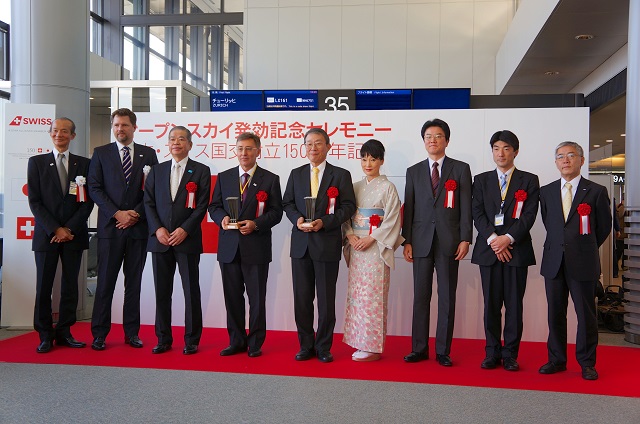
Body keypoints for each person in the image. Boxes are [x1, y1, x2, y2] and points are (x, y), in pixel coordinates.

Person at [402, 118, 472, 367]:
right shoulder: (413, 171)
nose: (433, 140)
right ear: (423, 141)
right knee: (420, 296)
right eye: (428, 136)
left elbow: (466, 208)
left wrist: (465, 238)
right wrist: (406, 241)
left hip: (450, 242)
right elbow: (408, 208)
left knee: (446, 297)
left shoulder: (460, 169)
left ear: (447, 140)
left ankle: (443, 350)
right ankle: (419, 348)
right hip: (420, 243)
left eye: (438, 136)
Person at [282, 128, 356, 363]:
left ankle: (323, 346)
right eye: (309, 144)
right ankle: (305, 345)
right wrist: (298, 220)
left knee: (326, 300)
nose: (313, 148)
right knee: (302, 299)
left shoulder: (341, 175)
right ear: (304, 147)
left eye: (318, 143)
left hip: (326, 244)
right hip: (301, 245)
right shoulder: (296, 174)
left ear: (328, 146)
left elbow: (348, 207)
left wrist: (324, 222)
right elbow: (288, 203)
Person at [539, 141, 611, 381]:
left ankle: (587, 362)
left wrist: (583, 247)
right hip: (554, 262)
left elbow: (603, 228)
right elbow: (550, 223)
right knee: (555, 314)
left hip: (583, 262)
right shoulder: (546, 191)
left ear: (581, 160)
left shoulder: (596, 191)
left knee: (586, 315)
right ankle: (557, 359)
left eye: (571, 155)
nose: (566, 160)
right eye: (560, 156)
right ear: (556, 162)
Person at [88, 108, 159, 351]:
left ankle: (132, 333)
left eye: (125, 125)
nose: (120, 129)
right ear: (112, 127)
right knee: (105, 283)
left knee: (134, 284)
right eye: (117, 125)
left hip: (138, 229)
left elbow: (153, 190)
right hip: (110, 228)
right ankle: (99, 333)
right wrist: (117, 213)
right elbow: (95, 189)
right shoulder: (101, 154)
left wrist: (136, 214)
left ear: (134, 128)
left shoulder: (148, 155)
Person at [209, 132, 283, 358]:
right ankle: (236, 341)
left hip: (256, 248)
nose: (244, 153)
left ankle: (255, 343)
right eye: (240, 148)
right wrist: (220, 217)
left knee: (257, 298)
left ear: (258, 151)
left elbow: (276, 213)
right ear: (235, 150)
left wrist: (256, 223)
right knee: (232, 297)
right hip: (229, 248)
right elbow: (214, 206)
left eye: (249, 148)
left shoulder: (270, 179)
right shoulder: (224, 177)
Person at [471, 130, 539, 371]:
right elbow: (476, 213)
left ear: (516, 151)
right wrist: (493, 240)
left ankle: (510, 354)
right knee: (490, 305)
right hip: (489, 251)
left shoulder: (529, 180)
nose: (501, 153)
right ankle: (491, 352)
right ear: (492, 152)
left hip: (516, 250)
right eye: (497, 148)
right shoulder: (480, 180)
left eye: (506, 148)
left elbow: (529, 215)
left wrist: (507, 239)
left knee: (513, 305)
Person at [27, 117, 95, 353]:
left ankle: (65, 331)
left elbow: (87, 202)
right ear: (50, 133)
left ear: (72, 136)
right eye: (55, 131)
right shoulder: (36, 163)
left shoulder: (84, 164)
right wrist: (55, 229)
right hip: (47, 235)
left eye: (65, 131)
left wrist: (69, 229)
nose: (59, 134)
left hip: (73, 235)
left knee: (70, 286)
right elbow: (35, 202)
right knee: (43, 286)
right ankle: (45, 334)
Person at [144, 126, 210, 355]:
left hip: (187, 240)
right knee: (162, 291)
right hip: (160, 241)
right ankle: (163, 338)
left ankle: (192, 339)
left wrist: (185, 229)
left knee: (191, 290)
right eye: (172, 139)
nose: (176, 142)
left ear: (190, 145)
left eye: (181, 139)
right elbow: (148, 203)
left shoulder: (201, 170)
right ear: (168, 144)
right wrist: (158, 229)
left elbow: (202, 206)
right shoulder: (156, 170)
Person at [342, 139, 403, 362]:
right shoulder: (355, 187)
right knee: (357, 296)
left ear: (382, 161)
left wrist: (371, 238)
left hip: (375, 248)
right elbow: (346, 214)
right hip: (357, 246)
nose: (368, 163)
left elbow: (393, 219)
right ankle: (358, 340)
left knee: (373, 296)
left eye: (373, 159)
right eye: (364, 158)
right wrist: (349, 234)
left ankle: (372, 346)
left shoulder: (388, 188)